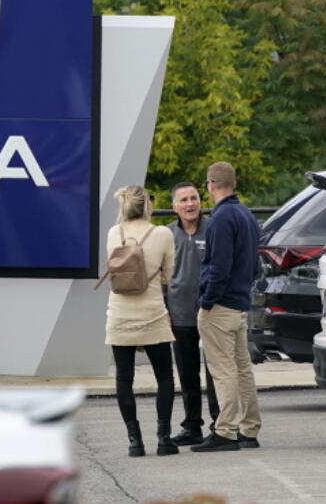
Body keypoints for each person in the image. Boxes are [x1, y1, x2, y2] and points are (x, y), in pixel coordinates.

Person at [192, 162, 262, 453]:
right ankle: (249, 428)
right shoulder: (246, 214)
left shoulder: (220, 218)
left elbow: (219, 267)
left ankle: (226, 431)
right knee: (242, 368)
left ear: (210, 184)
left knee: (223, 370)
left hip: (220, 306)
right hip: (240, 303)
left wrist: (208, 301)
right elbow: (255, 266)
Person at [104, 185, 178, 457]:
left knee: (124, 379)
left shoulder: (114, 233)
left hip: (119, 315)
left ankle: (135, 441)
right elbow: (170, 275)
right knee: (165, 377)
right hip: (153, 315)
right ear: (147, 204)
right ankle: (164, 439)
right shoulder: (162, 234)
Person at [165, 181, 220, 446]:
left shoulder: (214, 230)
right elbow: (159, 276)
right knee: (187, 372)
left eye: (194, 198)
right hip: (179, 314)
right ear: (174, 206)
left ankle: (219, 424)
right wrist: (164, 309)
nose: (190, 204)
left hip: (210, 312)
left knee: (215, 371)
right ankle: (192, 426)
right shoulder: (166, 235)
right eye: (184, 200)